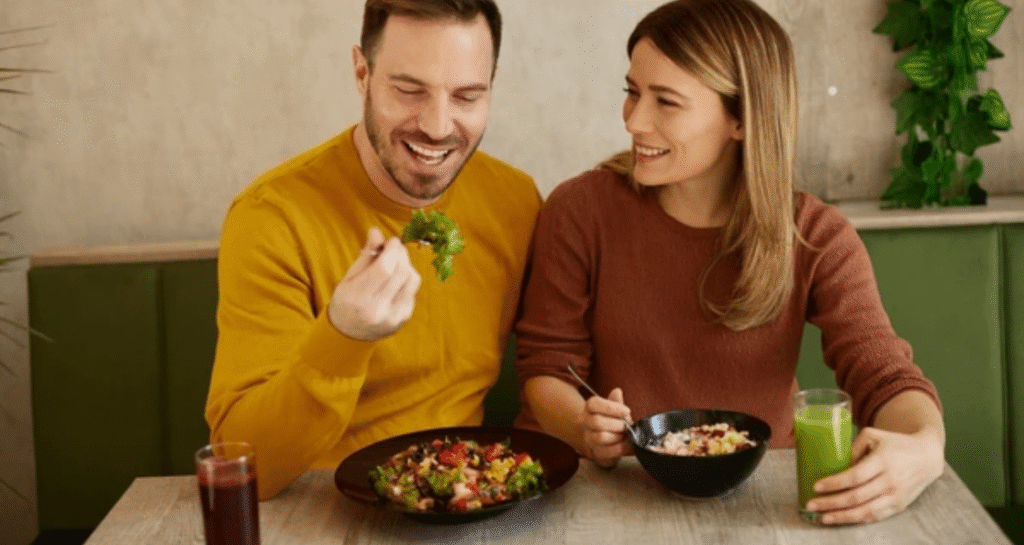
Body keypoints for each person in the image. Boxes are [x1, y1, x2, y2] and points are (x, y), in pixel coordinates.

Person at [514, 0, 945, 526]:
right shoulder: (579, 210)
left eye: (666, 102)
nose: (633, 119)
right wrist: (582, 424)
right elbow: (546, 365)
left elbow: (883, 373)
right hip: (604, 496)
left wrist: (924, 447)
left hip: (762, 503)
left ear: (740, 119)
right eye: (632, 92)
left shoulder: (815, 236)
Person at [206, 0, 541, 500]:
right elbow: (246, 466)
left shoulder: (516, 204)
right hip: (317, 508)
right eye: (409, 91)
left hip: (467, 498)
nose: (436, 125)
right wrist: (343, 336)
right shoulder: (271, 218)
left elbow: (560, 358)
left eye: (468, 96)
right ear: (362, 73)